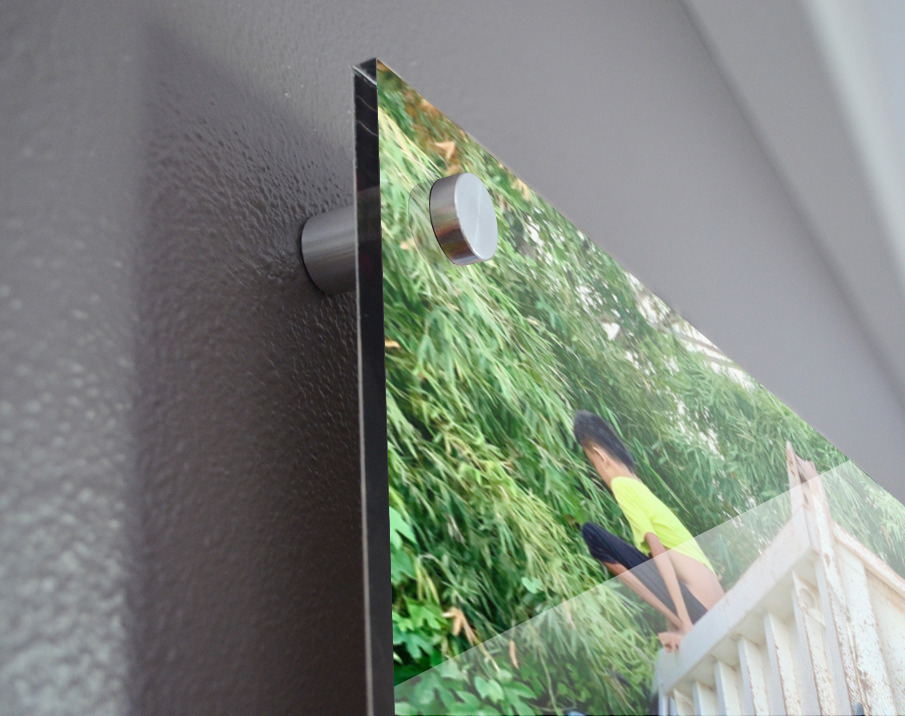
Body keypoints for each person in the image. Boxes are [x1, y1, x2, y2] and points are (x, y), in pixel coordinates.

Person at [573, 410, 724, 652]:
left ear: (600, 456)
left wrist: (684, 624)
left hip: (699, 610)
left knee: (592, 535)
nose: (597, 472)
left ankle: (680, 622)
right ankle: (679, 621)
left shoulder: (622, 486)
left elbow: (658, 551)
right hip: (717, 603)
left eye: (592, 462)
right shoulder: (642, 490)